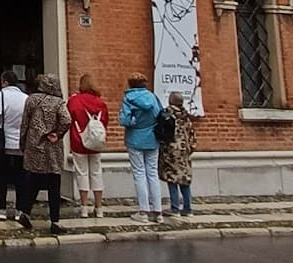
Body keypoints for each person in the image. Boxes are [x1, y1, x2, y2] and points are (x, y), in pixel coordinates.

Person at [15, 73, 72, 234]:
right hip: (52, 148)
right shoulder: (58, 102)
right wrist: (57, 134)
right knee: (54, 184)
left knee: (33, 180)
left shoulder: (31, 99)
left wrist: (23, 143)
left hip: (34, 145)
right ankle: (54, 221)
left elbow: (25, 124)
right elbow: (67, 120)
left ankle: (25, 213)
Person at [118, 73, 164, 223]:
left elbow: (124, 120)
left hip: (135, 139)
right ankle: (158, 212)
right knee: (153, 173)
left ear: (130, 84)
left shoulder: (128, 98)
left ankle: (143, 211)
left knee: (139, 173)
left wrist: (133, 121)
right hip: (152, 138)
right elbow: (159, 114)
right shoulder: (152, 97)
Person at [0, 71, 29, 219]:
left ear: (5, 82)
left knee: (1, 177)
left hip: (4, 141)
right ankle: (19, 210)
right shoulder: (25, 97)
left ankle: (2, 209)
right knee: (20, 177)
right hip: (21, 142)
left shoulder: (2, 95)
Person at [65, 74, 108, 217]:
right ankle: (99, 207)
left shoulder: (74, 101)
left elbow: (68, 118)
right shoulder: (100, 102)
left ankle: (84, 207)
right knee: (96, 172)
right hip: (96, 142)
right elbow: (105, 121)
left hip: (79, 140)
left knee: (81, 173)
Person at [158, 91, 197, 217]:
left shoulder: (167, 114)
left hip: (171, 151)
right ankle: (187, 208)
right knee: (184, 179)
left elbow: (162, 132)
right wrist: (190, 148)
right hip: (185, 151)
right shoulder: (186, 116)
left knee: (172, 179)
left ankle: (174, 208)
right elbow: (192, 135)